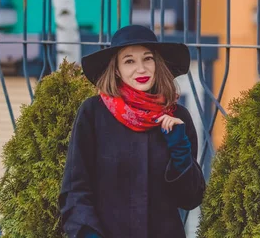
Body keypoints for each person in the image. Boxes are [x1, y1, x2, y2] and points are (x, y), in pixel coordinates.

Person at [59, 25, 205, 238]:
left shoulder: (177, 117)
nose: (141, 69)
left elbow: (190, 198)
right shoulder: (93, 113)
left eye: (148, 59)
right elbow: (74, 189)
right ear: (116, 69)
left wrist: (179, 147)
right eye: (129, 61)